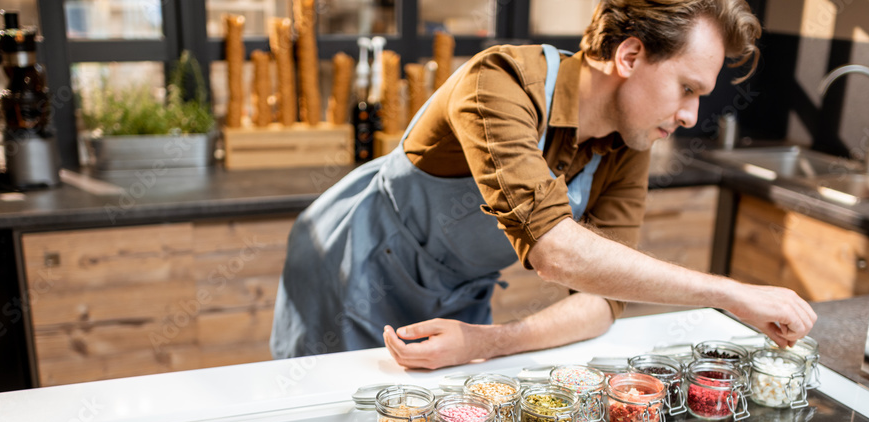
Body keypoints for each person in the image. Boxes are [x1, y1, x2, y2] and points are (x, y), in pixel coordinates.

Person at [271, 0, 816, 368]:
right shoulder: (499, 82)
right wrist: (729, 292)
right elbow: (556, 251)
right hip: (358, 264)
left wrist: (489, 340)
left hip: (460, 288)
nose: (692, 115)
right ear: (629, 56)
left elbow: (603, 298)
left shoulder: (629, 142)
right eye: (687, 89)